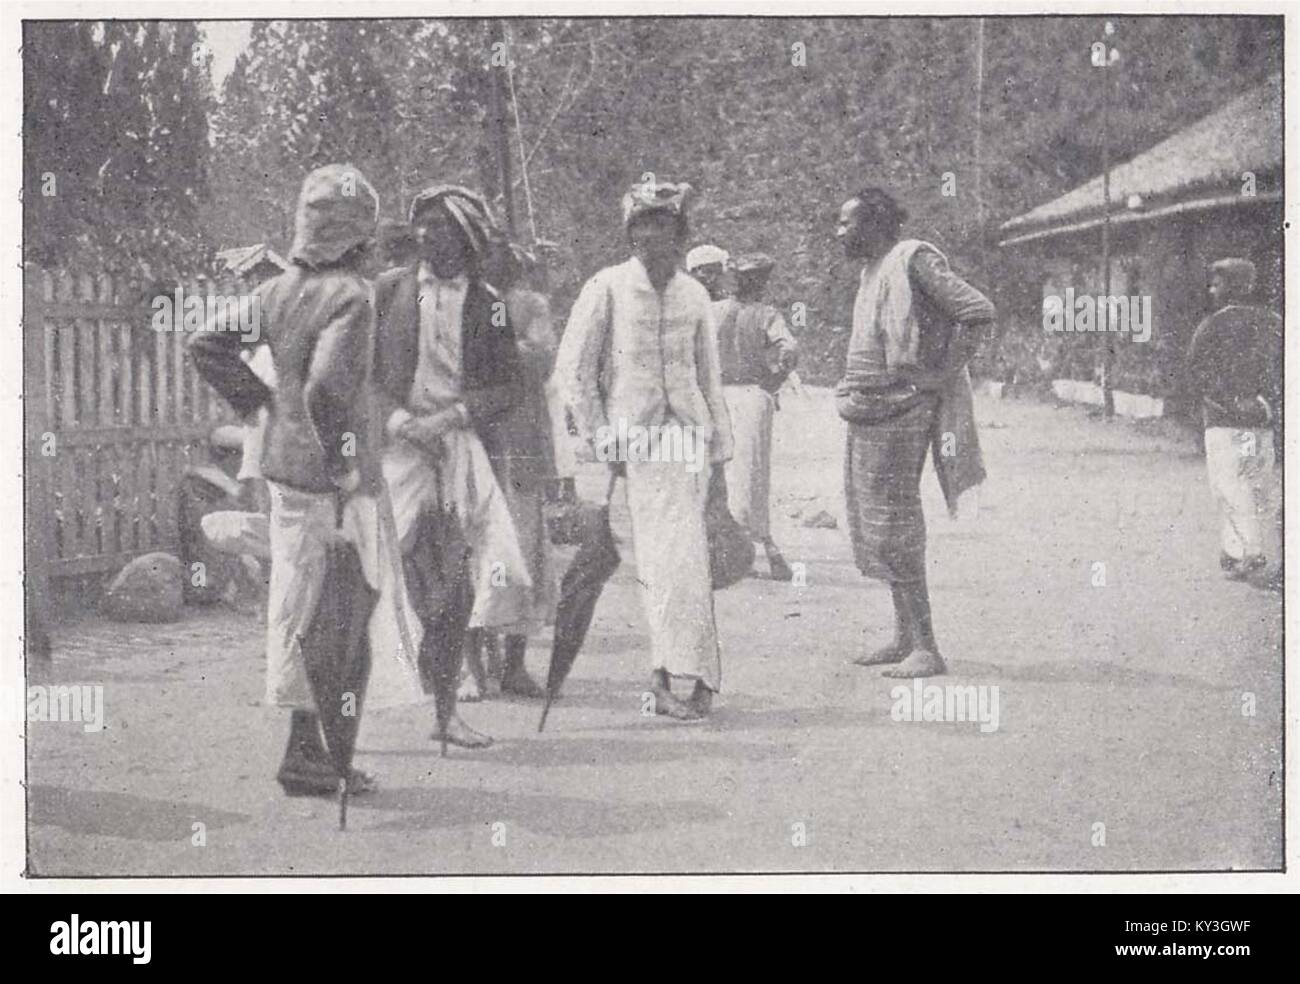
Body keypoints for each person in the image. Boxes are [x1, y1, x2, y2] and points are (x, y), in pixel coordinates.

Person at [189, 163, 381, 795]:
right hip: (326, 474)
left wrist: (262, 405)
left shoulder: (277, 292)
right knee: (330, 610)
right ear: (358, 236)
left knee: (298, 598)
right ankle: (306, 753)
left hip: (282, 465)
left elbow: (206, 344)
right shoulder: (351, 296)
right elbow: (327, 391)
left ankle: (310, 747)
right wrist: (345, 462)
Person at [556, 179, 733, 720]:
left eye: (663, 227)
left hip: (689, 442)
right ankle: (663, 677)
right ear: (630, 234)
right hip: (634, 445)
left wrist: (720, 452)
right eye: (642, 227)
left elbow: (709, 376)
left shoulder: (695, 294)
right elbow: (574, 371)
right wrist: (601, 437)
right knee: (657, 563)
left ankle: (698, 676)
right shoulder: (607, 287)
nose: (652, 238)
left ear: (680, 234)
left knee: (687, 562)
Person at [370, 184, 533, 749]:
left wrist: (453, 417)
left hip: (458, 447)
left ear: (465, 239)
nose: (426, 236)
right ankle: (347, 713)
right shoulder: (387, 291)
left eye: (440, 227)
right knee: (380, 574)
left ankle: (447, 709)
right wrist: (400, 423)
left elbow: (509, 385)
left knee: (487, 571)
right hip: (396, 451)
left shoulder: (488, 302)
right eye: (422, 225)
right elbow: (359, 373)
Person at [836, 186, 993, 678]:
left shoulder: (914, 259)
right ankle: (905, 636)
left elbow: (977, 310)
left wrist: (941, 374)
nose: (839, 233)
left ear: (875, 225)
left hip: (902, 408)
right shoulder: (874, 269)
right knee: (875, 523)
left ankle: (926, 647)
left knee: (895, 522)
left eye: (847, 223)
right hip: (870, 408)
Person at [459, 241, 560, 702]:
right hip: (471, 439)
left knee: (521, 550)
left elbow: (541, 358)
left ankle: (515, 663)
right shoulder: (457, 302)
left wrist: (495, 346)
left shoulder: (529, 305)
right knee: (470, 550)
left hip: (518, 443)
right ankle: (472, 666)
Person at [1184, 257, 1282, 588]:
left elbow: (1197, 373)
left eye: (1217, 284)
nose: (1212, 290)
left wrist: (1229, 402)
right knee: (1255, 482)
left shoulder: (1211, 326)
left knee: (1229, 486)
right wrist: (1265, 404)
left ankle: (1246, 552)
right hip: (1260, 422)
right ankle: (1238, 550)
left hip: (1224, 423)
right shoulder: (1273, 323)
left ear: (1235, 287)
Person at [710, 252, 798, 580]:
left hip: (716, 396)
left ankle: (732, 546)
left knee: (723, 471)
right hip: (751, 395)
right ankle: (757, 544)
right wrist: (776, 376)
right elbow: (789, 349)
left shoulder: (714, 310)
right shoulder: (766, 314)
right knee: (752, 473)